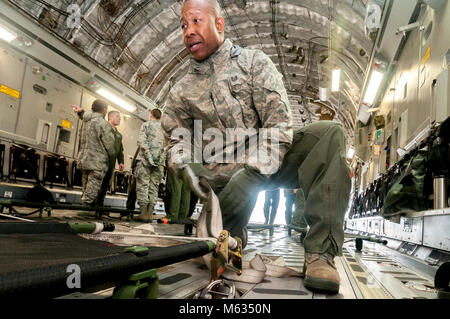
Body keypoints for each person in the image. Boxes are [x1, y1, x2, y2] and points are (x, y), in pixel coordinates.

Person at [161, 0, 350, 294]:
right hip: (222, 186)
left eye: (196, 21)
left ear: (219, 24)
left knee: (329, 134)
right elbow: (176, 140)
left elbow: (279, 123)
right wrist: (187, 166)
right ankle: (234, 236)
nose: (189, 31)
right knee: (219, 257)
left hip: (265, 165)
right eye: (184, 25)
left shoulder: (253, 63)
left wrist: (254, 170)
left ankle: (320, 253)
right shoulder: (181, 91)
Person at [73, 108, 125, 217]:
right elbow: (87, 118)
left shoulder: (119, 135)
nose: (119, 118)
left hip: (110, 163)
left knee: (105, 185)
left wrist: (121, 161)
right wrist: (80, 112)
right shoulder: (103, 126)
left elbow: (120, 150)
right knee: (94, 182)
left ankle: (99, 206)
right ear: (110, 117)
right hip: (99, 160)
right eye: (117, 116)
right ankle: (90, 206)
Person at [72, 100, 115, 209]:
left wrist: (81, 111)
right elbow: (109, 144)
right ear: (104, 110)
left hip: (84, 159)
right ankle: (86, 208)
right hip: (97, 161)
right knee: (93, 185)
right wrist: (111, 154)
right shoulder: (103, 123)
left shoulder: (86, 121)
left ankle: (84, 205)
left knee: (85, 185)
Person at [135, 108, 166, 222]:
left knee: (143, 185)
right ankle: (149, 215)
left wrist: (149, 157)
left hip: (144, 161)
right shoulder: (166, 130)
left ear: (151, 115)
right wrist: (159, 160)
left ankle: (142, 214)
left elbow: (142, 142)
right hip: (160, 163)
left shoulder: (146, 125)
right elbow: (167, 147)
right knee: (154, 187)